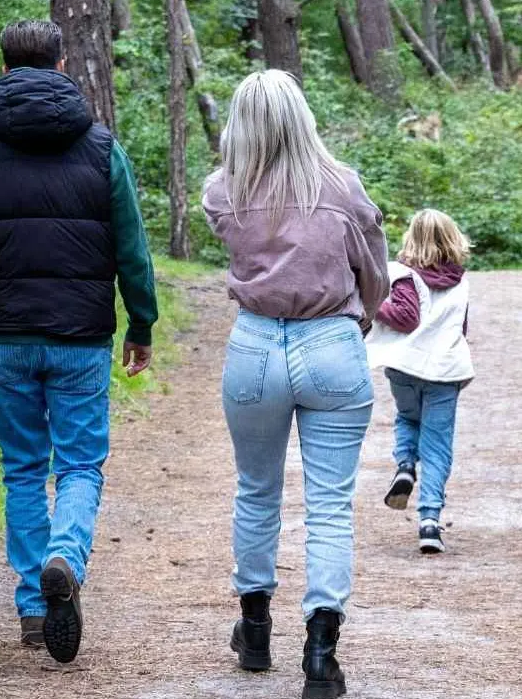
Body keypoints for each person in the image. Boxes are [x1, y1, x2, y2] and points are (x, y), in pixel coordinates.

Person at [0, 20, 159, 664]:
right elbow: (132, 246)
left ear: (4, 68)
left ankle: (35, 604)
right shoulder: (102, 147)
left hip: (7, 337)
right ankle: (66, 556)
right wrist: (141, 323)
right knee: (80, 465)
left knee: (24, 469)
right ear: (62, 64)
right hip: (82, 336)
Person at [203, 70, 388, 699]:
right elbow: (375, 269)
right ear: (302, 118)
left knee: (256, 491)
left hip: (254, 345)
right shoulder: (342, 186)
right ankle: (320, 651)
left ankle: (255, 630)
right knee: (329, 504)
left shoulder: (223, 191)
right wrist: (360, 314)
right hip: (330, 341)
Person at [366, 209, 474, 555]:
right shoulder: (461, 281)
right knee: (438, 444)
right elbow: (461, 329)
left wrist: (374, 304)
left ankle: (405, 466)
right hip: (445, 372)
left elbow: (404, 317)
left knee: (408, 418)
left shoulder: (402, 275)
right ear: (453, 238)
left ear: (411, 238)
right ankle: (429, 521)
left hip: (406, 366)